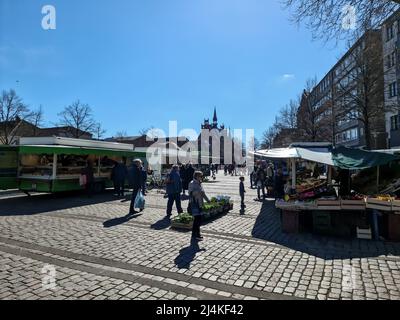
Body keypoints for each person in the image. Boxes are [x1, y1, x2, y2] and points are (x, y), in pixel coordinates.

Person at [188, 171, 210, 241]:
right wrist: (197, 191)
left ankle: (194, 234)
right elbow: (190, 193)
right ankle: (197, 234)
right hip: (195, 204)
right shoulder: (192, 183)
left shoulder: (200, 183)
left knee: (198, 220)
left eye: (202, 176)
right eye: (200, 176)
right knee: (197, 220)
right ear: (196, 176)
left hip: (200, 203)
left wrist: (208, 200)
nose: (201, 177)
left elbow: (203, 193)